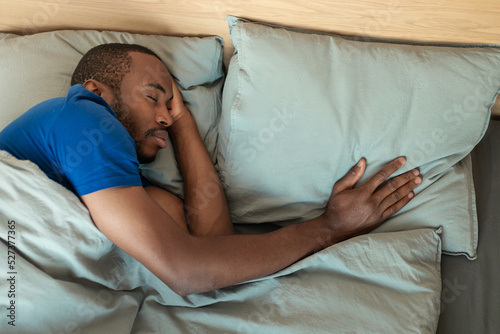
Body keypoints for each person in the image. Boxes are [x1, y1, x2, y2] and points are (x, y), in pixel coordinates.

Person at [0, 43, 422, 296]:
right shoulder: (86, 119)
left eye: (172, 105)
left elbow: (214, 247)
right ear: (96, 90)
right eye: (154, 97)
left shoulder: (119, 188)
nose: (165, 116)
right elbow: (187, 271)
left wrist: (184, 125)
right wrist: (330, 226)